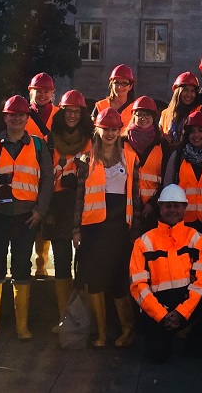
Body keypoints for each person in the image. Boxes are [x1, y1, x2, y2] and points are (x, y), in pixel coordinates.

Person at [0, 95, 53, 341]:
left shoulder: (38, 146)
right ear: (5, 117)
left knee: (22, 265)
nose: (16, 119)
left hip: (26, 216)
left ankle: (22, 326)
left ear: (27, 119)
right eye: (12, 114)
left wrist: (40, 210)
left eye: (21, 115)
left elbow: (47, 180)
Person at [130, 185, 202, 363]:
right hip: (157, 306)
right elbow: (138, 286)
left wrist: (181, 312)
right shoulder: (143, 242)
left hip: (185, 303)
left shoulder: (197, 239)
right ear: (160, 208)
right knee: (158, 357)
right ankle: (164, 336)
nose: (172, 210)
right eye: (167, 206)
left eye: (176, 206)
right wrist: (160, 315)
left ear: (184, 208)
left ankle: (195, 344)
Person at [75, 107, 138, 348]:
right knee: (95, 280)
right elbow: (79, 197)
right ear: (97, 130)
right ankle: (100, 332)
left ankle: (127, 330)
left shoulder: (130, 158)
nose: (110, 133)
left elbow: (136, 195)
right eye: (106, 129)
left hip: (119, 227)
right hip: (93, 227)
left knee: (119, 280)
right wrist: (76, 229)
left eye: (114, 129)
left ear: (120, 131)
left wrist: (135, 230)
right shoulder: (85, 159)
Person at [45, 90, 93, 331]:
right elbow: (44, 178)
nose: (72, 116)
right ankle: (63, 316)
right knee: (62, 261)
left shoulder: (91, 139)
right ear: (61, 113)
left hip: (85, 206)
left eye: (77, 111)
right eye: (68, 111)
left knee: (84, 263)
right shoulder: (49, 141)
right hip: (58, 208)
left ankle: (82, 316)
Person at [162, 110, 202, 246]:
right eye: (192, 131)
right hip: (182, 222)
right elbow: (167, 188)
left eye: (201, 131)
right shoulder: (178, 156)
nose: (196, 135)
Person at [25, 73, 56, 277]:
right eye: (39, 90)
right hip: (30, 176)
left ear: (53, 93)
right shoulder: (22, 114)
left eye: (46, 91)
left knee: (51, 221)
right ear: (31, 91)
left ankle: (42, 264)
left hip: (56, 175)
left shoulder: (60, 114)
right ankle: (36, 265)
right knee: (32, 223)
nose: (42, 94)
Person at [124, 96, 166, 235]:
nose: (143, 118)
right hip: (126, 209)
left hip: (153, 211)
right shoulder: (122, 143)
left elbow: (167, 179)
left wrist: (152, 204)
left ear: (154, 117)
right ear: (133, 116)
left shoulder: (162, 145)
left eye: (148, 115)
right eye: (139, 114)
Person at [159, 72, 202, 145]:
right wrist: (163, 136)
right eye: (185, 90)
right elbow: (159, 134)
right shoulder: (165, 113)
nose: (189, 95)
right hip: (168, 154)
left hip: (190, 155)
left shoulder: (199, 111)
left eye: (192, 91)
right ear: (177, 92)